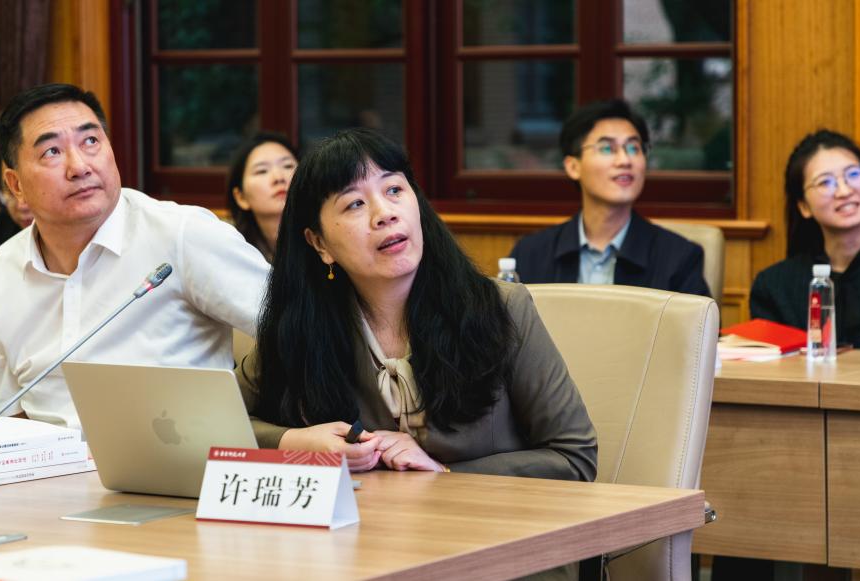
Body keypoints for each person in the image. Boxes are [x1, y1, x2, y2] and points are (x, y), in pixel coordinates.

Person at [239, 128, 597, 484]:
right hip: (365, 522)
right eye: (355, 204)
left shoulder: (502, 308)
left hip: (488, 518)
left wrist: (444, 472)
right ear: (319, 244)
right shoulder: (303, 326)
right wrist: (294, 441)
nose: (385, 213)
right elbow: (219, 423)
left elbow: (574, 458)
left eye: (394, 190)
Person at [0, 83, 271, 429]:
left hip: (177, 456)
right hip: (50, 462)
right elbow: (10, 422)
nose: (79, 166)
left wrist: (276, 430)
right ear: (16, 185)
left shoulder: (183, 235)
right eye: (51, 151)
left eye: (90, 141)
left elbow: (300, 327)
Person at [510, 99, 710, 296]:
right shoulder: (530, 254)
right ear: (573, 166)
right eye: (607, 148)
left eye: (634, 148)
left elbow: (699, 319)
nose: (625, 160)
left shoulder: (680, 258)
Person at [750, 129, 860, 348]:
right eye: (825, 182)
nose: (844, 191)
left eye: (854, 174)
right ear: (804, 206)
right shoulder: (774, 286)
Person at [226, 132, 299, 261]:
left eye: (288, 166)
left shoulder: (326, 242)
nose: (279, 177)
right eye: (262, 171)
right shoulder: (234, 254)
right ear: (241, 197)